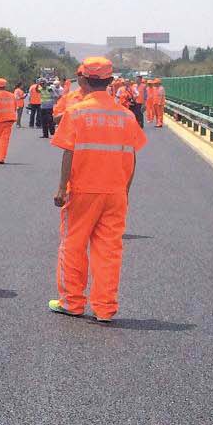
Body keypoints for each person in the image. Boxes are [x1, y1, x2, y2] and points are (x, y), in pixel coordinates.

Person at [49, 56, 148, 323]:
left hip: (83, 191)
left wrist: (61, 188)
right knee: (109, 250)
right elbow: (132, 156)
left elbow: (68, 152)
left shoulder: (77, 112)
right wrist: (125, 190)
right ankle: (105, 308)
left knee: (73, 245)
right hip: (115, 193)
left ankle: (72, 302)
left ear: (83, 79)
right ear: (109, 81)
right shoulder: (126, 116)